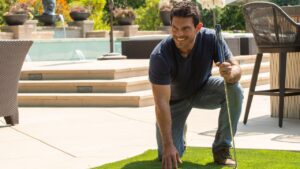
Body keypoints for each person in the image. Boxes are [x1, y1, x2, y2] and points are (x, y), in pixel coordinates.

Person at [148, 1, 243, 169]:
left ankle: (222, 148)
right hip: (174, 103)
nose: (179, 34)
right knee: (167, 154)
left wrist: (230, 73)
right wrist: (169, 144)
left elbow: (236, 68)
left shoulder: (212, 37)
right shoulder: (160, 56)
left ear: (198, 27)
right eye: (175, 28)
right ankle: (179, 129)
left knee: (235, 89)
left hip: (203, 90)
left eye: (185, 28)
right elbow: (161, 103)